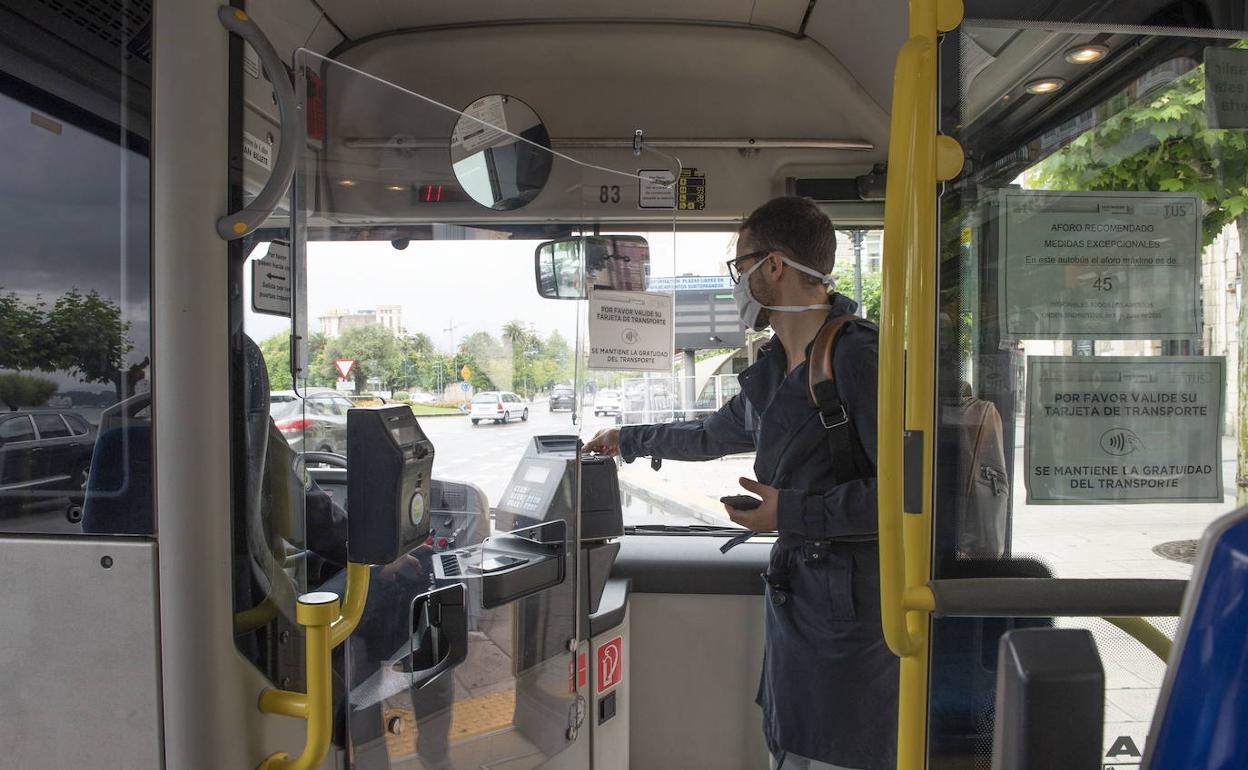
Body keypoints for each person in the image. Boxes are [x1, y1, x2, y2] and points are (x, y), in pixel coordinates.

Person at [585, 197, 896, 770]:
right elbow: (710, 433)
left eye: (740, 266)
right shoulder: (775, 367)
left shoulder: (857, 358)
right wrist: (628, 439)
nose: (738, 283)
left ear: (773, 266)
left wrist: (791, 514)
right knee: (791, 744)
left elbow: (904, 503)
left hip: (850, 614)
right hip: (801, 601)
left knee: (836, 750)